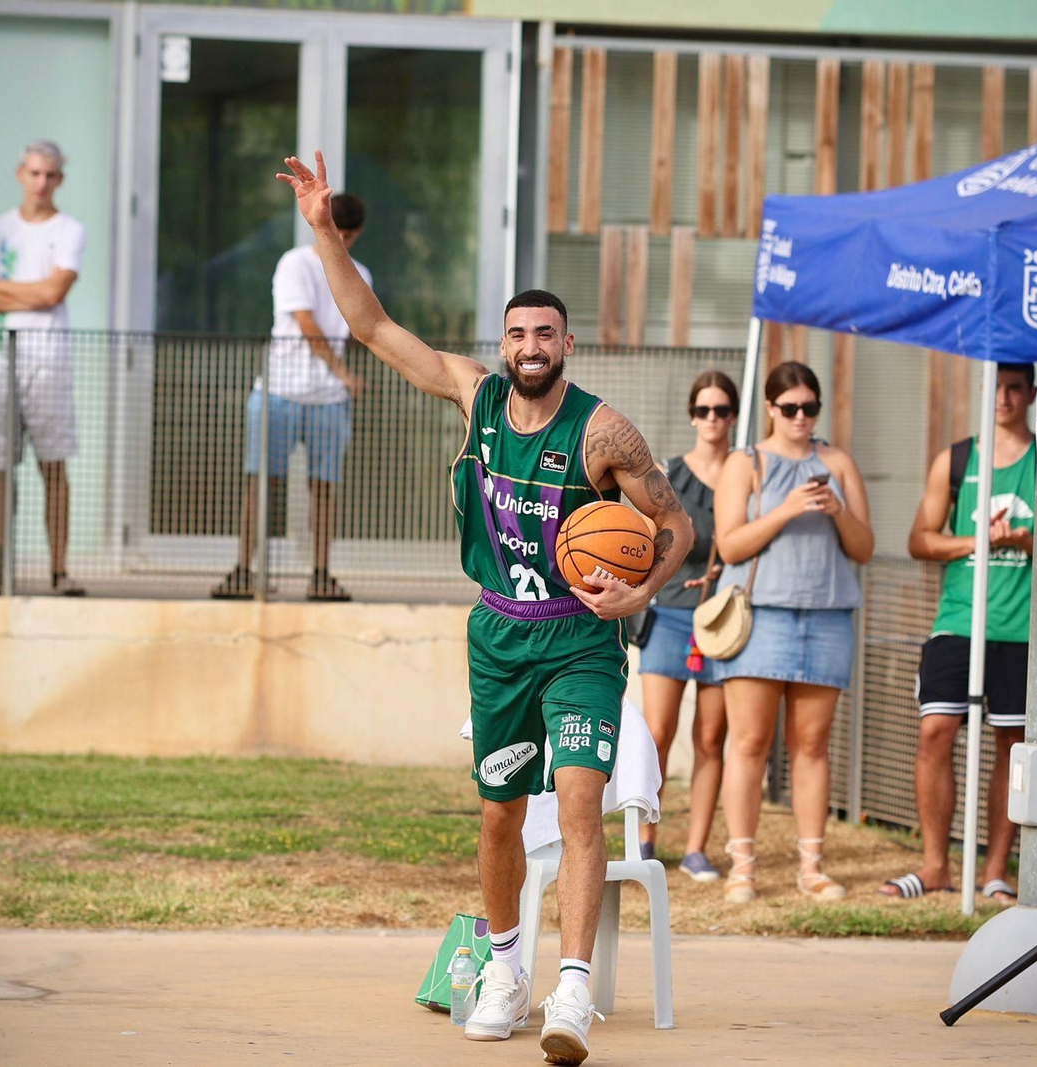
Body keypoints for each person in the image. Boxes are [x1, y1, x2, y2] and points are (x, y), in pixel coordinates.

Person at [274, 152, 692, 1064]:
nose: (530, 347)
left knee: (582, 808)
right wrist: (321, 230)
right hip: (499, 631)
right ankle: (506, 968)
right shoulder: (476, 395)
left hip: (582, 638)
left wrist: (642, 589)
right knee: (500, 812)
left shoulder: (604, 431)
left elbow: (678, 524)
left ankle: (571, 991)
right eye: (517, 334)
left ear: (567, 344)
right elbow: (371, 324)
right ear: (504, 343)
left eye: (546, 333)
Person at [711, 362, 873, 904]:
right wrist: (785, 509)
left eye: (810, 408)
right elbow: (729, 545)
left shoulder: (838, 463)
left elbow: (864, 548)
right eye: (790, 409)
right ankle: (743, 866)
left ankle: (812, 866)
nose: (801, 418)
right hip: (761, 616)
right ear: (770, 409)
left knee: (812, 745)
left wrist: (837, 511)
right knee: (750, 742)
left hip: (826, 614)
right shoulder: (745, 462)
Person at [882, 363, 1037, 903]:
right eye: (996, 387)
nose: (1004, 397)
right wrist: (977, 542)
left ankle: (995, 870)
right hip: (956, 620)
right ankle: (935, 867)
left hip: (1020, 630)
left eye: (1015, 387)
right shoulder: (957, 459)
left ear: (1033, 393)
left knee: (1012, 745)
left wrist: (1021, 541)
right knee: (934, 733)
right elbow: (921, 540)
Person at [212, 193, 370, 602]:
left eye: (348, 235)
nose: (343, 241)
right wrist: (344, 374)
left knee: (325, 487)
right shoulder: (295, 263)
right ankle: (244, 569)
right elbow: (306, 323)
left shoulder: (360, 273)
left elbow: (362, 327)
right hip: (280, 391)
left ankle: (320, 573)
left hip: (328, 399)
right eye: (340, 232)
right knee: (261, 482)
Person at [0, 140, 87, 595]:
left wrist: (5, 287)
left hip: (48, 360)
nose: (41, 183)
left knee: (53, 465)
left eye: (50, 175)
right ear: (21, 173)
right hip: (0, 358)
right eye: (34, 173)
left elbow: (53, 293)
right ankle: (0, 566)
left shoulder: (70, 229)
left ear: (59, 179)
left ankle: (58, 570)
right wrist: (29, 290)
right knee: (0, 466)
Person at [636, 370, 734, 882]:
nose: (712, 420)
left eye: (721, 410)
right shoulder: (667, 473)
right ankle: (645, 840)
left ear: (734, 416)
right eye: (703, 410)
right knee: (658, 732)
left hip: (724, 621)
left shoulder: (747, 475)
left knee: (712, 736)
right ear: (692, 415)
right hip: (670, 613)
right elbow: (644, 538)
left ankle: (696, 849)